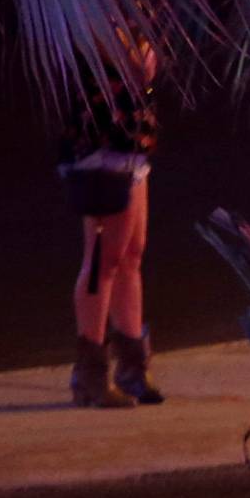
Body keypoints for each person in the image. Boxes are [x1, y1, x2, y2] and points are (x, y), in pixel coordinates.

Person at [61, 39, 161, 408]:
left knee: (132, 254)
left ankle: (132, 366)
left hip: (132, 140)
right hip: (101, 140)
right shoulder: (91, 5)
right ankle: (89, 373)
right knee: (103, 259)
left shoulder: (132, 11)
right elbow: (133, 63)